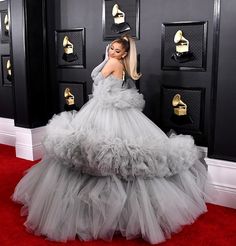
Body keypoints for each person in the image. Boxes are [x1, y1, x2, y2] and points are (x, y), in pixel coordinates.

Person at [12, 34, 208, 244]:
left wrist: (106, 58)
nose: (112, 52)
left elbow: (96, 76)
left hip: (104, 109)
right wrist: (109, 57)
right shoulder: (121, 65)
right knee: (117, 154)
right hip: (109, 107)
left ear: (123, 54)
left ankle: (101, 211)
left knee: (100, 152)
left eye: (116, 50)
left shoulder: (113, 63)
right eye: (111, 48)